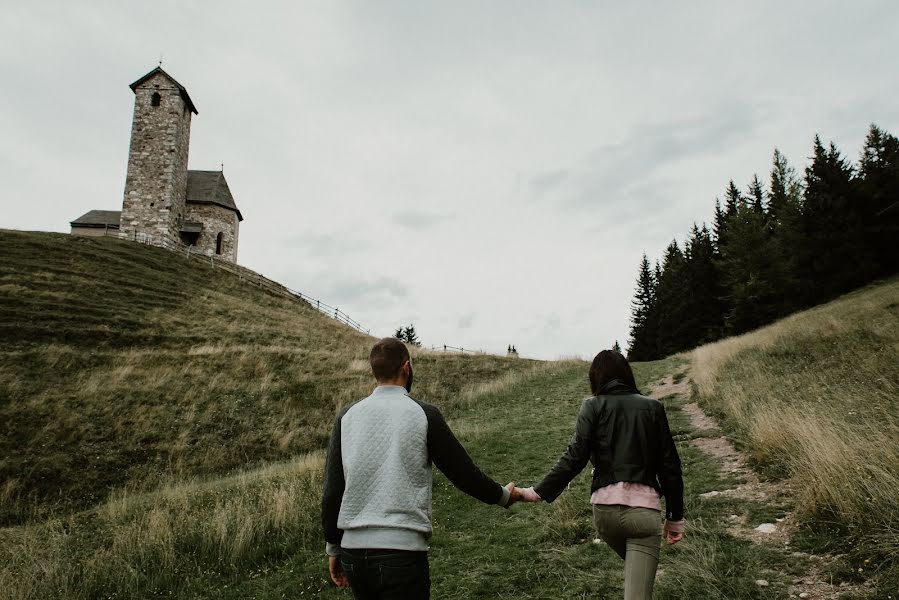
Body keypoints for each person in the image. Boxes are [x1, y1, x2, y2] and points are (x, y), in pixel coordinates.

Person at [321, 337, 522, 599]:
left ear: (373, 372)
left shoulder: (346, 416)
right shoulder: (424, 414)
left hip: (354, 554)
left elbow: (332, 490)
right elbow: (463, 473)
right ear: (406, 368)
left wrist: (334, 547)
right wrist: (504, 496)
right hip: (402, 555)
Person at [519, 349, 685, 600]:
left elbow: (575, 456)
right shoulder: (653, 407)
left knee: (636, 577)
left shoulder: (591, 406)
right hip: (643, 514)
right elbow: (670, 466)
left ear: (596, 378)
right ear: (628, 374)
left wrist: (537, 492)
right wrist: (674, 518)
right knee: (638, 591)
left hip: (605, 516)